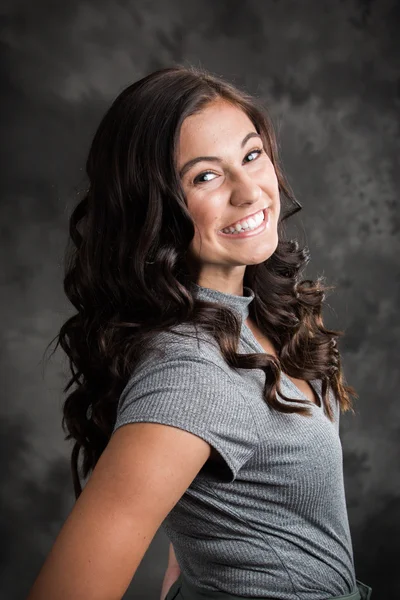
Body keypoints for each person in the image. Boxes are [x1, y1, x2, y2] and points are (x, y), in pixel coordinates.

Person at [28, 65, 373, 600]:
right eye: (205, 176)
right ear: (155, 208)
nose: (249, 191)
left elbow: (205, 491)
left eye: (251, 155)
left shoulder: (241, 312)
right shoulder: (191, 372)